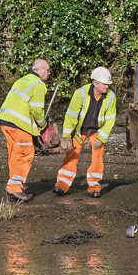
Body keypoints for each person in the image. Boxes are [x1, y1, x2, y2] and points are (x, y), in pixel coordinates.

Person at [55, 66, 116, 198]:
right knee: (72, 155)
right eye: (105, 84)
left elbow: (110, 120)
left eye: (108, 84)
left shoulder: (111, 97)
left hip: (97, 132)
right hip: (79, 131)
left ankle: (94, 187)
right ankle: (62, 185)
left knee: (97, 158)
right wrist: (66, 136)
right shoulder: (80, 93)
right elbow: (71, 116)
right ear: (96, 83)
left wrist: (102, 138)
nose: (107, 87)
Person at [0, 59, 51, 202]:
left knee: (15, 154)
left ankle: (15, 187)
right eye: (48, 70)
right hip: (19, 123)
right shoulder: (38, 84)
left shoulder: (22, 80)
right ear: (42, 70)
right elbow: (37, 110)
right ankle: (14, 187)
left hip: (5, 120)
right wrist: (43, 125)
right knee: (25, 154)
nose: (49, 74)